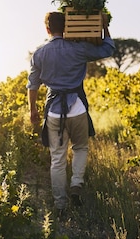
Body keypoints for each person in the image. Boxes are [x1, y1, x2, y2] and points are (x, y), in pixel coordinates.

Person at [27, 11, 114, 215]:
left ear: (47, 29)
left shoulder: (39, 54)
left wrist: (32, 110)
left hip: (54, 112)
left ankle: (60, 205)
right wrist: (103, 25)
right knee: (81, 148)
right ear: (66, 27)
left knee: (57, 158)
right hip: (78, 108)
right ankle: (76, 183)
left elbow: (33, 85)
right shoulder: (78, 48)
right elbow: (108, 48)